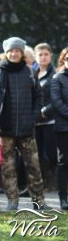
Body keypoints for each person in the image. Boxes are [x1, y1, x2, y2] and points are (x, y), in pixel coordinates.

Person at [0, 37, 50, 211]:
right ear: (6, 52)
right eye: (11, 50)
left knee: (34, 167)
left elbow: (38, 97)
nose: (14, 53)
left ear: (22, 53)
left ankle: (39, 202)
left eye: (17, 51)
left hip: (27, 129)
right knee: (8, 168)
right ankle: (12, 202)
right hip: (4, 129)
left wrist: (33, 117)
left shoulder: (29, 72)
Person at [34, 43, 57, 183]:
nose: (43, 57)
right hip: (34, 121)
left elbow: (57, 98)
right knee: (35, 155)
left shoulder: (55, 75)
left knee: (52, 154)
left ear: (51, 56)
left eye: (46, 54)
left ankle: (59, 184)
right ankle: (38, 184)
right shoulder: (31, 73)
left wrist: (44, 111)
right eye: (40, 55)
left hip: (50, 120)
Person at [50, 47, 68, 210]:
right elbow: (56, 102)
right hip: (64, 127)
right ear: (63, 60)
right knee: (64, 162)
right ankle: (63, 197)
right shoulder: (58, 78)